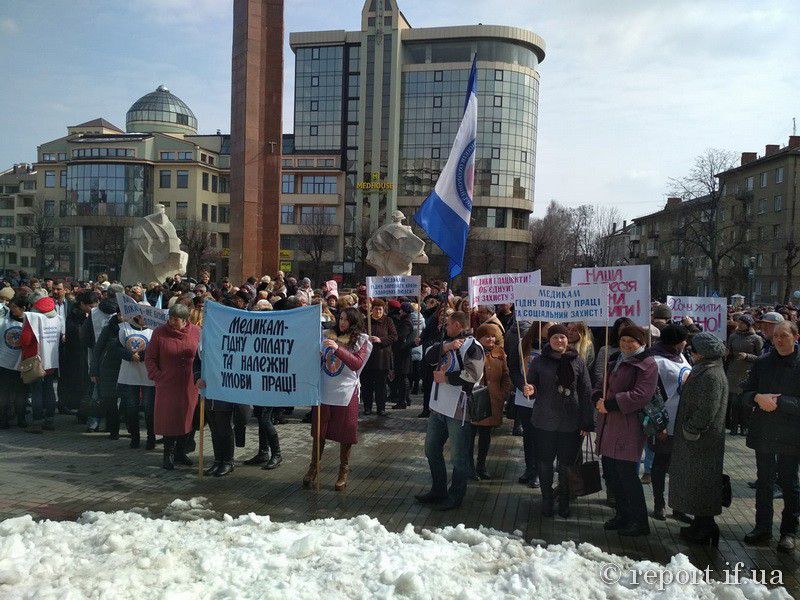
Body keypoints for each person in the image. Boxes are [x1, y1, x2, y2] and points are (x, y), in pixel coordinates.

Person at [740, 321, 800, 552]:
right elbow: (745, 393)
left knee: (789, 482)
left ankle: (788, 531)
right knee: (764, 481)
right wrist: (756, 398)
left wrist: (779, 402)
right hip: (764, 431)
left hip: (791, 433)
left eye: (784, 336)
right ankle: (762, 527)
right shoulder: (763, 362)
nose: (778, 340)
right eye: (775, 336)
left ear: (795, 336)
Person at [416, 311, 485, 511]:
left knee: (459, 456)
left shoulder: (473, 346)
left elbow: (473, 375)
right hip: (438, 407)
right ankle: (438, 489)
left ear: (456, 325)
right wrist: (445, 347)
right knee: (431, 449)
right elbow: (427, 357)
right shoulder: (445, 343)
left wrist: (446, 379)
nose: (444, 328)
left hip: (458, 409)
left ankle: (456, 495)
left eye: (447, 325)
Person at [594, 325, 658, 537]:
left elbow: (641, 394)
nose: (627, 344)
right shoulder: (617, 359)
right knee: (612, 473)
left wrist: (611, 404)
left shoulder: (647, 364)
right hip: (609, 423)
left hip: (628, 425)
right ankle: (622, 515)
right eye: (623, 340)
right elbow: (603, 385)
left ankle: (639, 521)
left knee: (628, 475)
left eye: (632, 341)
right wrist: (596, 397)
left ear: (642, 342)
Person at [668, 332, 728, 547]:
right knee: (696, 482)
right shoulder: (706, 369)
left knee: (702, 483)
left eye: (694, 350)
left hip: (702, 440)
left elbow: (708, 408)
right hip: (698, 440)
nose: (691, 353)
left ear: (703, 352)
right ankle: (700, 523)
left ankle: (706, 526)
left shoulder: (711, 374)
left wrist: (691, 428)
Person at [528, 324, 593, 517]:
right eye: (555, 337)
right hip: (544, 420)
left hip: (570, 422)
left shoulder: (578, 361)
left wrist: (586, 421)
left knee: (566, 464)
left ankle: (564, 499)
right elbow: (532, 384)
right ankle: (547, 499)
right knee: (545, 462)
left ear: (568, 340)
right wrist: (530, 390)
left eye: (562, 338)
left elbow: (586, 391)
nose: (559, 341)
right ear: (549, 340)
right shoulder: (539, 361)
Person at [305, 307, 372, 490]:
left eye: (346, 320)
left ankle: (343, 471)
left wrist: (338, 349)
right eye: (341, 318)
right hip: (325, 389)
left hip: (345, 391)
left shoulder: (361, 340)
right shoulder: (327, 335)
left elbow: (356, 363)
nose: (342, 322)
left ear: (354, 322)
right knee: (320, 431)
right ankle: (313, 468)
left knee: (346, 432)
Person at [145, 303, 201, 470]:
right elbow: (150, 358)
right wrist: (157, 376)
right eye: (170, 318)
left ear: (185, 320)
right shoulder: (159, 333)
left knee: (188, 419)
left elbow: (203, 354)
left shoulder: (197, 332)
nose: (171, 321)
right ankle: (167, 455)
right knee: (169, 420)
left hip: (190, 384)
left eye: (176, 319)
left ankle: (180, 453)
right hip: (167, 384)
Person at [649, 324, 692, 521]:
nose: (686, 343)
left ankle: (678, 506)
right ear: (675, 342)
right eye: (683, 340)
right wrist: (659, 425)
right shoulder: (656, 361)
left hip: (681, 422)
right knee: (661, 464)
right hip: (665, 423)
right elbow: (653, 396)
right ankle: (659, 504)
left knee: (679, 466)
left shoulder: (680, 356)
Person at [468, 322, 512, 480]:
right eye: (487, 336)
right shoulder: (472, 351)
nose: (491, 339)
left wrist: (503, 393)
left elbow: (506, 375)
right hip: (474, 399)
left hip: (492, 400)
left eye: (493, 336)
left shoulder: (499, 352)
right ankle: (468, 466)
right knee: (470, 435)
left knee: (485, 436)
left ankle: (481, 465)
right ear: (479, 337)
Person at [20, 295, 63, 432]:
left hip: (35, 360)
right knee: (49, 389)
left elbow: (25, 340)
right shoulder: (57, 318)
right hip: (50, 360)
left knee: (36, 391)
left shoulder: (33, 319)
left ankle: (37, 423)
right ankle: (49, 421)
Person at [117, 313, 156, 449]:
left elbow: (157, 348)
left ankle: (151, 438)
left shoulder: (154, 330)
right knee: (131, 407)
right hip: (129, 373)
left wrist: (142, 355)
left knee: (149, 408)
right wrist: (129, 355)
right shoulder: (124, 328)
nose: (142, 318)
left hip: (147, 374)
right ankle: (135, 437)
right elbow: (116, 347)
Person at [60, 290, 98, 418]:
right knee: (76, 382)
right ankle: (71, 405)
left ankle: (80, 407)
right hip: (75, 354)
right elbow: (76, 334)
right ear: (82, 304)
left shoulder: (86, 315)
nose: (92, 309)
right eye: (90, 306)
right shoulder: (75, 315)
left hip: (83, 353)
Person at [91, 301, 125, 440]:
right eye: (122, 314)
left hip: (126, 369)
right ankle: (113, 429)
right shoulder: (109, 328)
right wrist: (93, 371)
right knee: (109, 401)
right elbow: (98, 349)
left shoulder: (133, 329)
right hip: (108, 369)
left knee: (126, 402)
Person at [726, 314, 763, 436]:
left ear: (748, 325)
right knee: (734, 402)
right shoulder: (733, 336)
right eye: (739, 322)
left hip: (748, 373)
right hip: (733, 372)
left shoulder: (756, 338)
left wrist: (747, 356)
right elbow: (729, 351)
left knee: (746, 403)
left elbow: (761, 358)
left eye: (743, 323)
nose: (740, 325)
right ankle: (733, 427)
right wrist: (727, 353)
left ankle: (745, 426)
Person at [360, 299, 397, 416]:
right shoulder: (366, 321)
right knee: (367, 385)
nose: (378, 311)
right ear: (372, 309)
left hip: (382, 358)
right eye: (376, 309)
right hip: (368, 358)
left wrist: (381, 340)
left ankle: (381, 408)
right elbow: (359, 335)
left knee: (381, 386)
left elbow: (394, 336)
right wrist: (366, 338)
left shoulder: (388, 320)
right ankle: (367, 407)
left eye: (380, 309)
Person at [0, 294, 29, 428]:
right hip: (4, 363)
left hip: (22, 364)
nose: (12, 310)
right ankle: (4, 419)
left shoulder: (30, 322)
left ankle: (21, 418)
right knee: (4, 393)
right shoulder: (4, 321)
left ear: (23, 308)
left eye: (15, 308)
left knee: (21, 393)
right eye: (10, 307)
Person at [390, 302, 416, 410]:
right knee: (402, 377)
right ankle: (406, 399)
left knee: (402, 378)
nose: (399, 312)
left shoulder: (406, 322)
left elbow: (400, 336)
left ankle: (403, 401)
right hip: (403, 353)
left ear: (404, 311)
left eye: (401, 310)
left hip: (403, 354)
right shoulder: (406, 320)